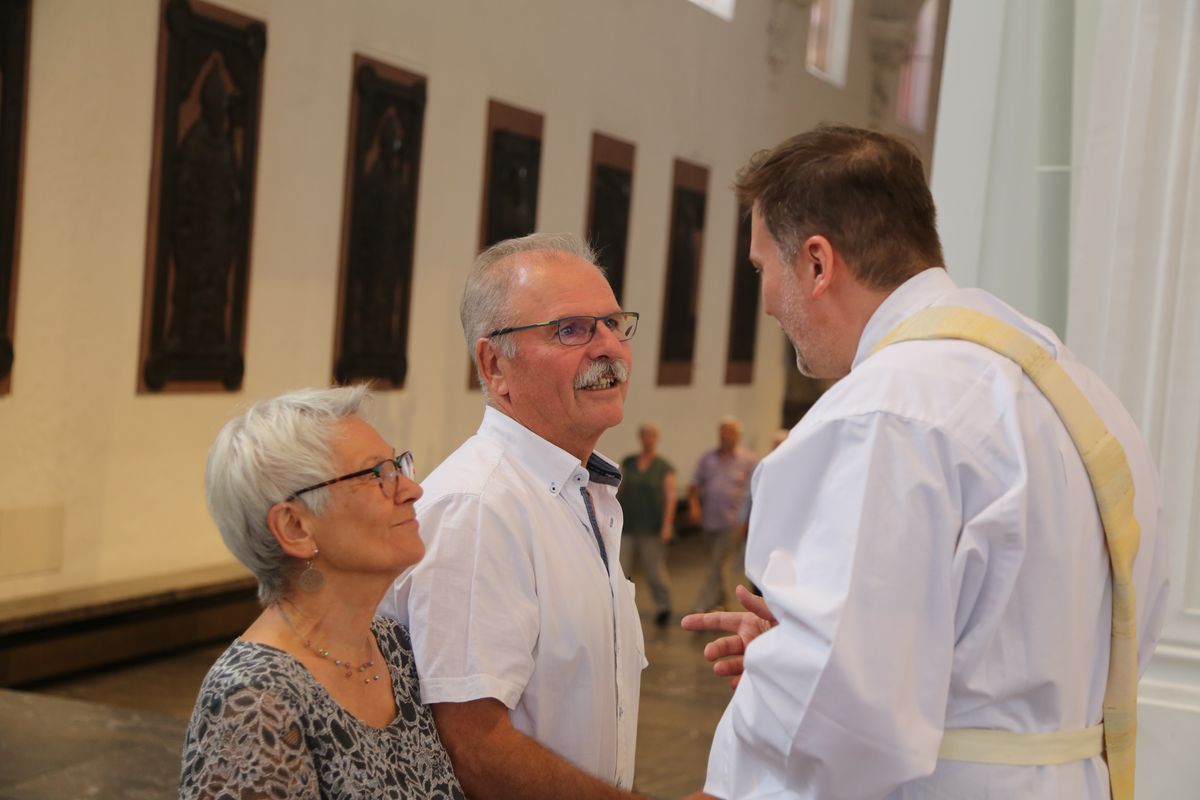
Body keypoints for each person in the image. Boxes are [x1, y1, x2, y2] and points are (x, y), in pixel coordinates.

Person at [681, 124, 1170, 799]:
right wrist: (797, 649)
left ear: (818, 263)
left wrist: (801, 675)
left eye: (763, 267)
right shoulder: (1076, 389)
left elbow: (843, 723)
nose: (765, 300)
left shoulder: (883, 411)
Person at [380, 233, 648, 799]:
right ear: (495, 364)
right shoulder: (479, 509)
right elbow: (475, 750)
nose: (608, 348)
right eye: (571, 330)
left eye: (613, 323)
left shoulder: (582, 491)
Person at [179, 386, 464, 799]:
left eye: (398, 466)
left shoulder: (392, 644)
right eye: (376, 475)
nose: (411, 490)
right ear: (295, 527)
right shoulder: (254, 702)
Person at [687, 417, 758, 612]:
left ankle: (702, 607)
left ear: (738, 436)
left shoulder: (748, 460)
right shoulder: (707, 458)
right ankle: (724, 603)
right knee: (717, 565)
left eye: (731, 432)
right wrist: (694, 506)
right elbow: (694, 485)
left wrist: (748, 521)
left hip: (733, 522)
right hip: (709, 521)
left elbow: (756, 492)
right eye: (723, 431)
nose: (726, 436)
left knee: (718, 565)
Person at [618, 421, 677, 626]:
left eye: (652, 435)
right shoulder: (629, 462)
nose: (648, 439)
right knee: (621, 569)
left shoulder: (663, 467)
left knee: (655, 571)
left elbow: (670, 497)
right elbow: (617, 490)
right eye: (645, 435)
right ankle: (620, 607)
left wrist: (667, 525)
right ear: (640, 438)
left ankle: (663, 606)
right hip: (627, 525)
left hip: (652, 527)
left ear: (656, 438)